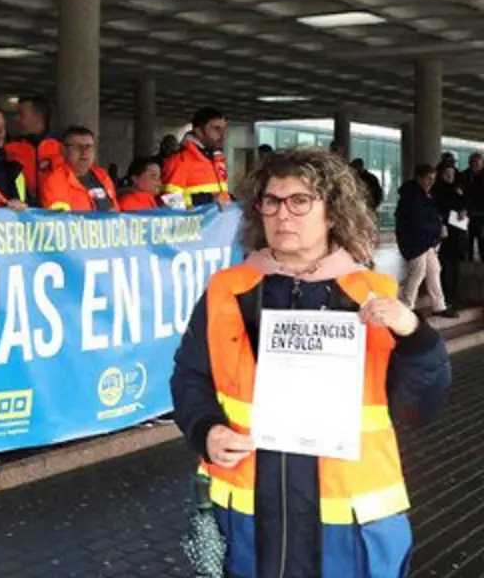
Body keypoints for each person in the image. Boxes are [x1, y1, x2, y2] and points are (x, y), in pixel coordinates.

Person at [171, 148, 450, 578]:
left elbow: (422, 407)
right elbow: (190, 377)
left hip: (346, 525)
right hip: (249, 522)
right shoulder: (226, 290)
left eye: (300, 201)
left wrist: (415, 335)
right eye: (272, 201)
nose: (283, 214)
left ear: (333, 213)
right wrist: (204, 429)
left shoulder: (372, 295)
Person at [396, 164, 454, 318]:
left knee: (434, 270)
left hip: (425, 241)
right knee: (418, 273)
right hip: (416, 242)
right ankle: (406, 305)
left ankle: (439, 306)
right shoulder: (412, 196)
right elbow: (418, 221)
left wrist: (436, 232)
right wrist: (437, 231)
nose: (431, 182)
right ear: (419, 178)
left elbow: (428, 218)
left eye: (433, 179)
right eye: (428, 178)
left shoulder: (422, 194)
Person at [40, 126, 119, 213]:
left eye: (88, 147)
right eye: (77, 147)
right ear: (64, 151)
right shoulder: (55, 180)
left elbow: (116, 213)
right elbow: (61, 219)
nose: (84, 153)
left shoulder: (103, 177)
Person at [163, 107, 229, 208]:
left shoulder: (218, 159)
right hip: (197, 223)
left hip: (219, 222)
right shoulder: (180, 160)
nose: (223, 135)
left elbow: (220, 194)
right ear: (199, 131)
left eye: (224, 129)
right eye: (216, 128)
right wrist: (206, 200)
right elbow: (169, 201)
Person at [5, 96, 63, 207]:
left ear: (38, 117)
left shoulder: (62, 147)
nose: (16, 118)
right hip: (23, 215)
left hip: (57, 216)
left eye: (21, 114)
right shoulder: (10, 148)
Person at [431, 163, 467, 313]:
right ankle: (446, 297)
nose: (449, 175)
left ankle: (454, 296)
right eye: (446, 173)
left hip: (459, 233)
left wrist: (464, 209)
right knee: (445, 267)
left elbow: (466, 203)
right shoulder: (437, 190)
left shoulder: (458, 188)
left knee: (456, 267)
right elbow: (436, 209)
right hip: (444, 234)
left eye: (451, 172)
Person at [465, 152, 484, 260]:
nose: (474, 165)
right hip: (468, 215)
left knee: (482, 243)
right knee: (467, 244)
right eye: (472, 162)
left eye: (477, 163)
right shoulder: (465, 175)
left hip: (481, 216)